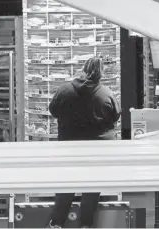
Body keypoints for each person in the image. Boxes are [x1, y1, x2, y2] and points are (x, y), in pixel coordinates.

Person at [47, 57, 121, 228]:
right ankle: (86, 224)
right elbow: (116, 115)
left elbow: (53, 110)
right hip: (98, 151)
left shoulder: (64, 90)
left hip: (69, 147)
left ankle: (56, 223)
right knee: (92, 187)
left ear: (83, 69)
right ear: (101, 73)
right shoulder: (107, 93)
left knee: (66, 184)